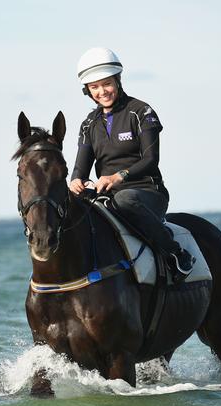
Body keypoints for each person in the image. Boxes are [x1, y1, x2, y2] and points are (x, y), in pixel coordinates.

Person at [69, 47, 195, 282]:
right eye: (94, 87)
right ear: (87, 90)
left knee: (125, 198)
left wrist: (118, 177)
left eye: (106, 84)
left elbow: (150, 160)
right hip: (107, 198)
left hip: (146, 193)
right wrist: (75, 181)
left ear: (117, 80)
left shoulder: (141, 111)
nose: (101, 91)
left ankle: (176, 254)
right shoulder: (88, 124)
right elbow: (80, 169)